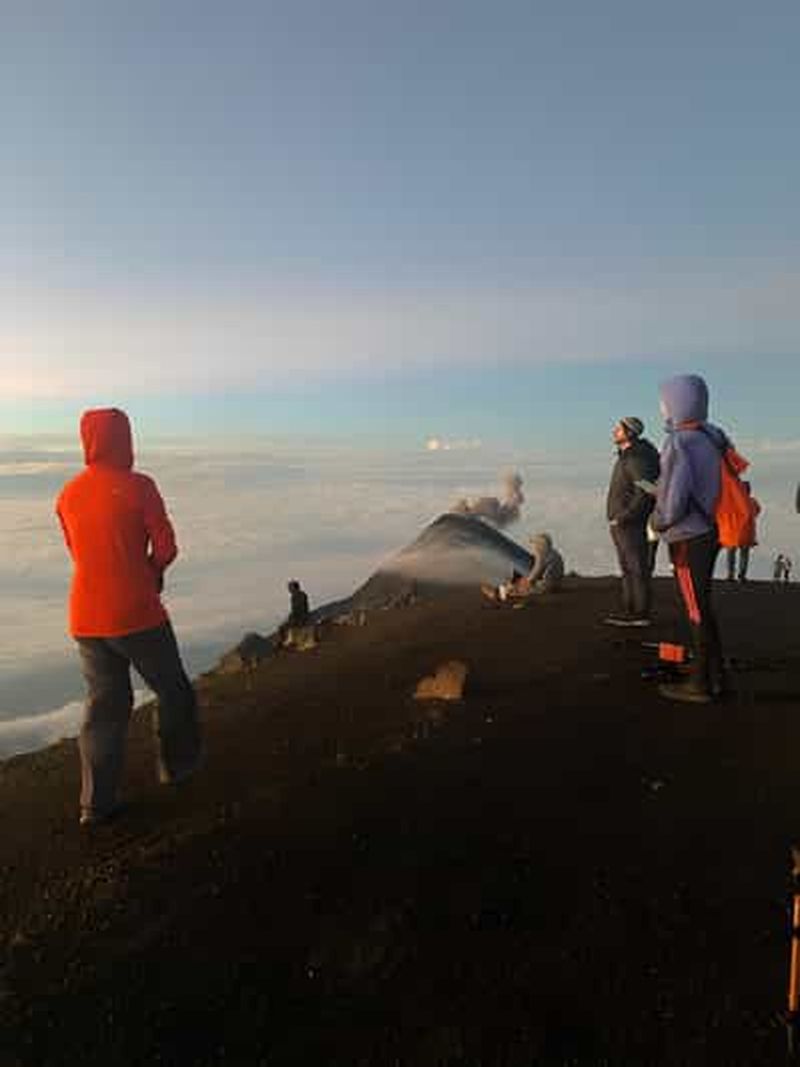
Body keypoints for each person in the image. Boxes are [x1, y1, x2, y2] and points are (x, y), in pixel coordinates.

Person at [56, 408, 202, 826]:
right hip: (137, 612)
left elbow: (78, 552)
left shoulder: (68, 494)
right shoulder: (140, 487)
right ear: (125, 438)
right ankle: (179, 769)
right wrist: (151, 571)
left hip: (85, 617)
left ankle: (95, 804)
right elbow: (167, 547)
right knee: (173, 690)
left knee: (106, 707)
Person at [651, 374, 728, 703]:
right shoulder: (714, 438)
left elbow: (674, 502)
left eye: (664, 401)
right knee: (704, 604)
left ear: (675, 403)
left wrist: (657, 520)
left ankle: (699, 684)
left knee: (695, 608)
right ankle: (715, 675)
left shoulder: (680, 442)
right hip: (711, 530)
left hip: (688, 536)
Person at [605, 416, 661, 626]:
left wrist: (625, 517)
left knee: (635, 566)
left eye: (618, 429)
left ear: (629, 433)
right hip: (623, 522)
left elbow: (646, 490)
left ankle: (639, 613)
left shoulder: (635, 458)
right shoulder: (629, 456)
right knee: (629, 567)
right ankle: (630, 611)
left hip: (629, 523)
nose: (614, 431)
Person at [724, 481, 760, 582]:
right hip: (747, 533)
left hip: (733, 532)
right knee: (744, 554)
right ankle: (742, 575)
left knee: (731, 554)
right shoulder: (753, 502)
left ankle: (730, 575)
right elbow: (757, 511)